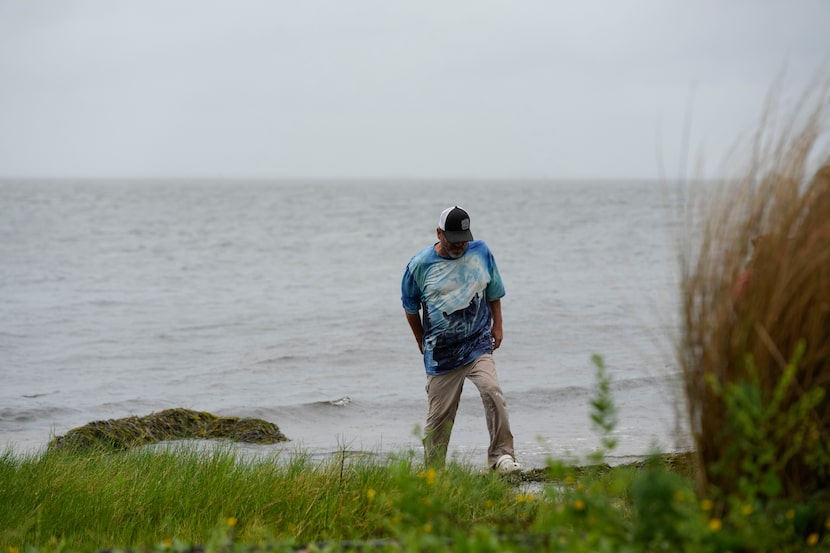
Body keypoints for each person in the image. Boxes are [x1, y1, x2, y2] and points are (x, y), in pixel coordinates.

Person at [401, 206, 520, 473]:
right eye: (453, 240)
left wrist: (498, 326)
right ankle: (434, 472)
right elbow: (410, 307)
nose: (459, 245)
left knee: (492, 392)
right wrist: (421, 340)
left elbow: (494, 291)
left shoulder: (481, 252)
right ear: (439, 233)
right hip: (441, 353)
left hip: (478, 344)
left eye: (463, 239)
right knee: (439, 417)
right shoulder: (419, 265)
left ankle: (501, 457)